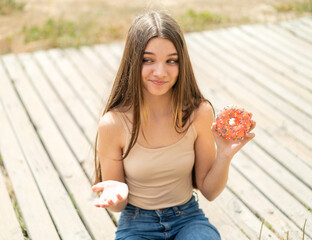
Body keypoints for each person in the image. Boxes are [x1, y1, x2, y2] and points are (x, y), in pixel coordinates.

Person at [92, 10, 256, 240]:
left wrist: (225, 155)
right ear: (133, 62)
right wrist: (117, 196)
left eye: (171, 61)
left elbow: (208, 191)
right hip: (136, 223)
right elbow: (117, 207)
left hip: (187, 218)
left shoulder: (199, 113)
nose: (160, 72)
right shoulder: (112, 124)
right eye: (147, 60)